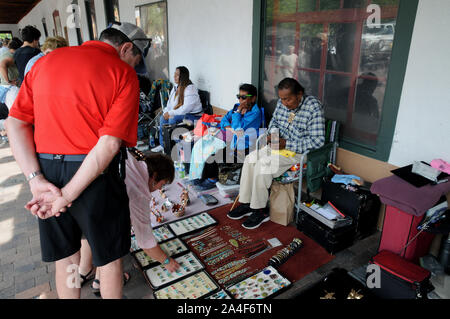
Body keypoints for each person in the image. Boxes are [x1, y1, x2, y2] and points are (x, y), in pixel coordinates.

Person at [5, 22, 151, 299]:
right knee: (108, 261)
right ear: (127, 48)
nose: (134, 67)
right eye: (136, 60)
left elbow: (15, 124)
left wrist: (36, 181)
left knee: (68, 259)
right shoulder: (121, 73)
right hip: (95, 175)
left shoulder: (46, 62)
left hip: (46, 170)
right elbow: (108, 144)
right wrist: (69, 194)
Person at [227, 78, 325, 230]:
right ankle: (247, 203)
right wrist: (272, 136)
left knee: (263, 165)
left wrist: (287, 143)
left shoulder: (313, 107)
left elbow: (318, 141)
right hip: (278, 145)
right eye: (282, 99)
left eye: (288, 99)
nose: (285, 103)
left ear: (299, 94)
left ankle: (259, 210)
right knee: (250, 159)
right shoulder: (282, 102)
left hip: (296, 151)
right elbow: (274, 123)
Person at [84, 149, 181, 296]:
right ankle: (106, 284)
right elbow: (146, 242)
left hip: (87, 201)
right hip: (97, 210)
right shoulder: (140, 193)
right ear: (154, 176)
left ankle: (98, 280)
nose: (160, 188)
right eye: (163, 183)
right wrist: (167, 261)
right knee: (113, 258)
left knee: (105, 243)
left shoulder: (132, 161)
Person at [188, 84, 263, 191]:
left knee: (216, 157)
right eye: (239, 96)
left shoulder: (255, 113)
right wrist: (229, 126)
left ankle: (212, 180)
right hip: (234, 143)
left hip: (245, 148)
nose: (241, 100)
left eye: (244, 97)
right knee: (209, 153)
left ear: (253, 98)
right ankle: (200, 177)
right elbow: (224, 120)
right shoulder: (237, 106)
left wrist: (237, 114)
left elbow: (238, 128)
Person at [151, 66, 202, 153]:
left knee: (172, 118)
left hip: (193, 116)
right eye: (174, 74)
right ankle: (164, 145)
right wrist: (166, 112)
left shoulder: (190, 89)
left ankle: (173, 147)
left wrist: (170, 113)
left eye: (177, 75)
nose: (174, 76)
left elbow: (185, 109)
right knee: (163, 118)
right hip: (182, 113)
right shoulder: (176, 87)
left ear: (183, 76)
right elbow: (170, 104)